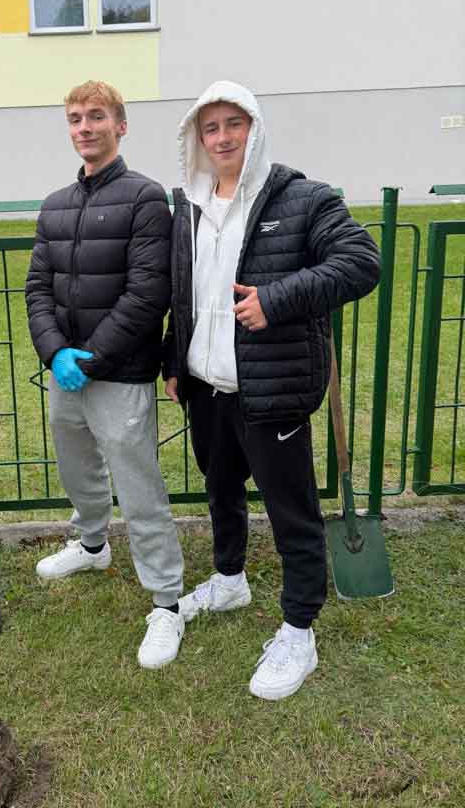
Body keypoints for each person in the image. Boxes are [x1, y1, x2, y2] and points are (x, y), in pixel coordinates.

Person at [163, 80, 380, 700]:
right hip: (207, 387)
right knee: (221, 488)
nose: (223, 137)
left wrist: (277, 300)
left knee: (292, 511)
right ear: (197, 138)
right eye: (211, 127)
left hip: (271, 386)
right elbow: (186, 291)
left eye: (235, 124)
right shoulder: (192, 206)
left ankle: (299, 631)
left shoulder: (304, 199)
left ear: (255, 129)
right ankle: (229, 579)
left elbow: (361, 262)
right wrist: (175, 359)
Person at [25, 80, 185, 670]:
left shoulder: (144, 199)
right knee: (77, 467)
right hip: (65, 372)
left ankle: (167, 601)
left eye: (96, 116)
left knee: (138, 484)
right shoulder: (55, 205)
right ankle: (92, 544)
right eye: (75, 118)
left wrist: (88, 358)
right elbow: (37, 289)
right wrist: (55, 354)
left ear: (120, 125)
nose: (84, 127)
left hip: (119, 373)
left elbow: (147, 295)